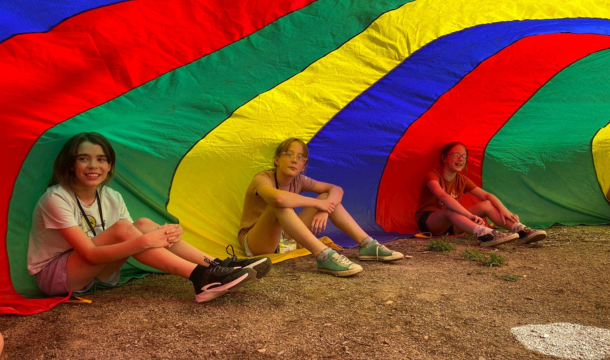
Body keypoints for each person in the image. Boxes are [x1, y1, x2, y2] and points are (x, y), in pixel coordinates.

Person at [27, 132, 271, 303]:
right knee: (129, 229)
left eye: (101, 159)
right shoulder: (56, 198)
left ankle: (216, 265)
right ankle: (200, 277)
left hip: (94, 274)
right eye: (84, 159)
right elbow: (90, 254)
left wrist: (164, 235)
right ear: (70, 165)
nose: (93, 165)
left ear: (110, 166)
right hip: (55, 277)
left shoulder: (111, 196)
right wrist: (147, 241)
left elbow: (133, 234)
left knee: (142, 224)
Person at [239, 138, 404, 277]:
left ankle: (368, 245)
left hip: (285, 240)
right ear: (277, 160)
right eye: (288, 154)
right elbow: (279, 199)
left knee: (327, 196)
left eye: (300, 157)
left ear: (303, 166)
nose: (294, 160)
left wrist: (325, 209)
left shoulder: (300, 180)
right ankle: (324, 255)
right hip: (256, 243)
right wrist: (318, 204)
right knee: (280, 203)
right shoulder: (261, 178)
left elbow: (336, 189)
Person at [415, 141, 547, 247]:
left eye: (464, 156)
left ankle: (520, 230)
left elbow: (487, 196)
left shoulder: (462, 180)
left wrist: (505, 211)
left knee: (487, 204)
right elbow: (443, 196)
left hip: (455, 222)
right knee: (450, 210)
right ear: (444, 158)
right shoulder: (432, 175)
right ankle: (485, 235)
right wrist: (469, 215)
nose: (460, 159)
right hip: (431, 222)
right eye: (455, 155)